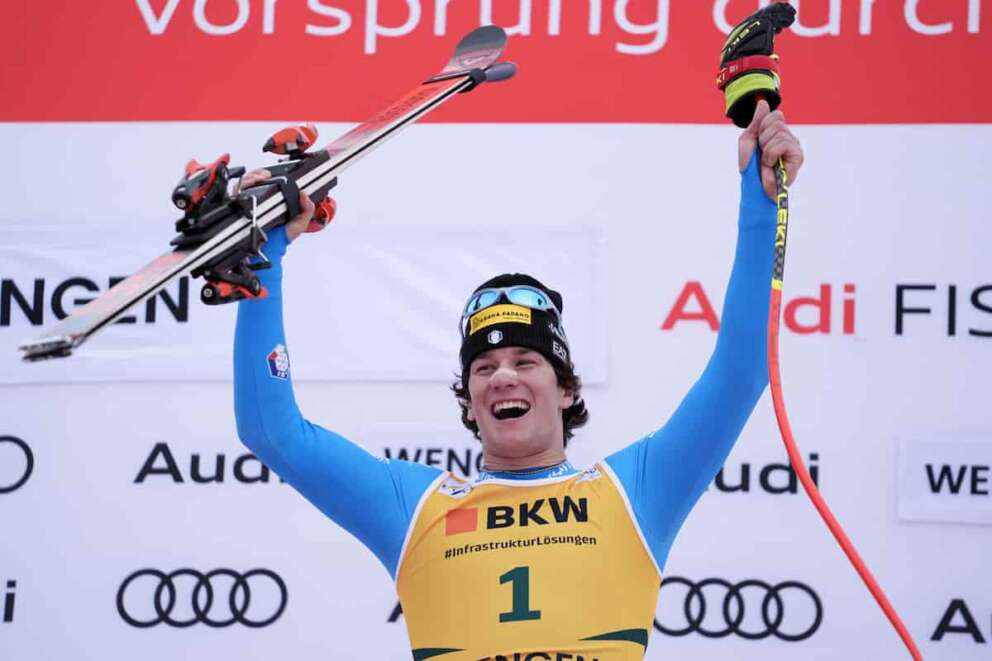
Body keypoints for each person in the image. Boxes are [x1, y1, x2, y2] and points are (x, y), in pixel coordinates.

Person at [233, 100, 803, 659]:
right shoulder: (411, 506)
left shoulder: (635, 491)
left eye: (526, 363)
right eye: (483, 368)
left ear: (567, 391)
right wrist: (265, 256)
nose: (502, 376)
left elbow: (740, 372)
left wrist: (762, 203)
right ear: (470, 399)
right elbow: (273, 432)